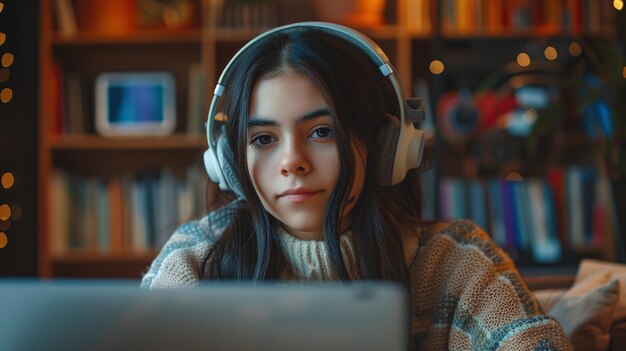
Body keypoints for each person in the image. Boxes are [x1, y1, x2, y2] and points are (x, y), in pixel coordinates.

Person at [141, 22, 571, 350]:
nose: (292, 162)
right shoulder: (196, 259)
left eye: (322, 131)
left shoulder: (455, 262)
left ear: (386, 145)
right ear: (230, 163)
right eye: (263, 139)